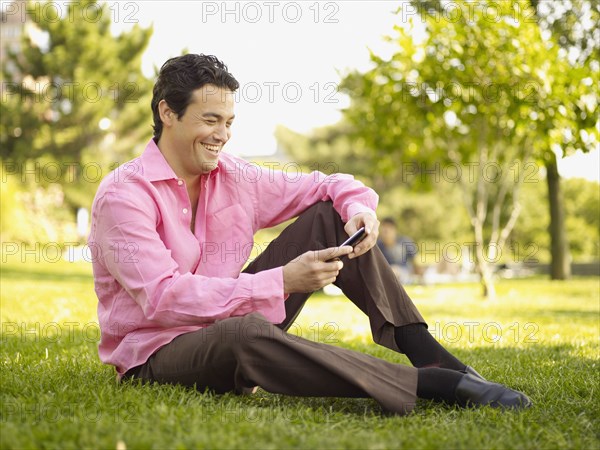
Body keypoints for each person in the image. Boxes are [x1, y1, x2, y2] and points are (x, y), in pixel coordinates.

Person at [88, 54, 531, 415]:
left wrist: (359, 210)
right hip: (157, 352)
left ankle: (423, 348)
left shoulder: (235, 177)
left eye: (228, 121)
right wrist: (282, 281)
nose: (222, 135)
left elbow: (328, 185)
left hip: (231, 319)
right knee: (243, 333)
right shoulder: (124, 196)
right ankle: (432, 383)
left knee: (330, 217)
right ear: (168, 112)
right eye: (210, 120)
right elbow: (164, 299)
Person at [377, 217, 418, 284]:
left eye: (389, 228)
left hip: (404, 272)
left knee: (394, 270)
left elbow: (415, 261)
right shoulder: (378, 245)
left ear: (394, 230)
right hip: (385, 273)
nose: (386, 231)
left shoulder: (405, 241)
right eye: (384, 228)